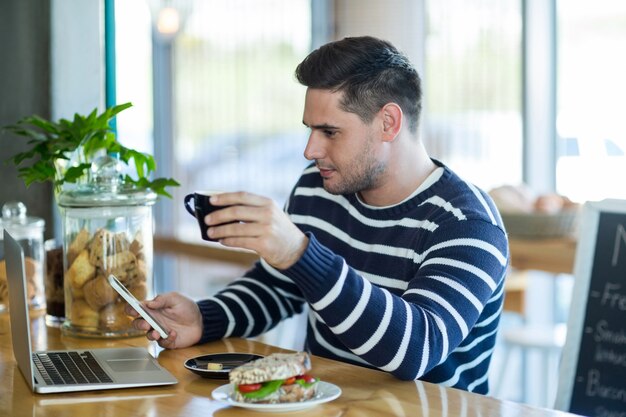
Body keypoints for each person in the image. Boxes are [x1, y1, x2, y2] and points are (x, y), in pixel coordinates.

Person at [129, 36, 509, 394]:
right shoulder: (319, 187)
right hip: (326, 404)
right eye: (311, 129)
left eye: (330, 131)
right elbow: (278, 289)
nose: (311, 150)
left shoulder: (466, 224)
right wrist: (203, 317)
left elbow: (414, 350)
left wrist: (299, 253)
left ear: (388, 123)